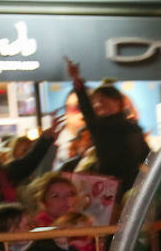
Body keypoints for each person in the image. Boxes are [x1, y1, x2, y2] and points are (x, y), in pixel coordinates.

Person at [63, 60, 151, 197]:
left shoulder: (133, 128)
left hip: (132, 185)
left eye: (102, 100)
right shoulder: (99, 126)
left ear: (117, 102)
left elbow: (145, 154)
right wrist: (77, 80)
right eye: (95, 101)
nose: (98, 104)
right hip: (107, 185)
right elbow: (86, 109)